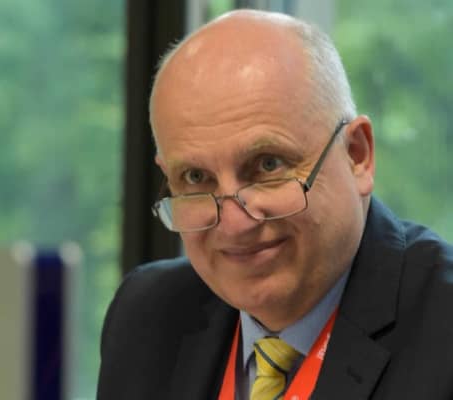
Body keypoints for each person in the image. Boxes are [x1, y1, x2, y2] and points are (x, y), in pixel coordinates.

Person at [97, 9, 453, 400]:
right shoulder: (146, 316)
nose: (234, 225)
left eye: (268, 165)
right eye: (196, 177)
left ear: (357, 155)